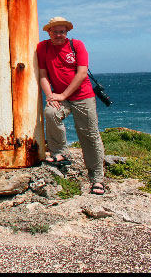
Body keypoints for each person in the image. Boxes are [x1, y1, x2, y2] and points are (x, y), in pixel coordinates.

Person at [37, 16, 106, 195]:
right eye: (55, 31)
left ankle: (97, 179)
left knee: (89, 135)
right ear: (48, 32)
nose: (59, 35)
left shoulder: (77, 46)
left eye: (62, 32)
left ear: (67, 33)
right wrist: (50, 95)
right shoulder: (42, 47)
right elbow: (43, 74)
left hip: (83, 96)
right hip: (60, 97)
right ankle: (60, 152)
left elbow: (82, 73)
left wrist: (63, 94)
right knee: (51, 113)